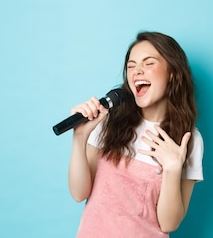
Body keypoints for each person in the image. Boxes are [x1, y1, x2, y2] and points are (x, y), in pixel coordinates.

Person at [68, 31, 204, 237]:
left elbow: (168, 224)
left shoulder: (189, 139)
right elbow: (79, 194)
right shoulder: (109, 120)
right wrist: (79, 138)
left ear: (172, 73)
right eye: (131, 66)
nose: (137, 71)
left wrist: (172, 169)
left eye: (148, 63)